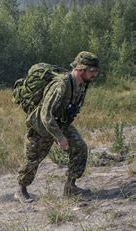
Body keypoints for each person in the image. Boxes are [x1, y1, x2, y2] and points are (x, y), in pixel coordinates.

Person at [15, 52, 100, 203]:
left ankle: (70, 187)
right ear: (81, 70)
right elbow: (45, 114)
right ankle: (21, 190)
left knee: (80, 147)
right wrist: (60, 137)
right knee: (33, 159)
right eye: (92, 71)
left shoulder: (82, 84)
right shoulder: (61, 85)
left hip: (61, 123)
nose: (95, 75)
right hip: (43, 126)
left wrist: (63, 131)